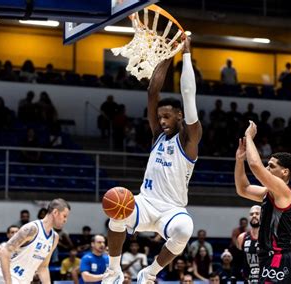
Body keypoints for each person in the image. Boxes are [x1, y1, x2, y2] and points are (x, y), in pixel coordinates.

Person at [102, 37, 202, 284]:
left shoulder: (190, 138)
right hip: (146, 203)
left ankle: (150, 273)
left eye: (168, 116)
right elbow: (152, 92)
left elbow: (188, 95)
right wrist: (168, 55)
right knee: (116, 212)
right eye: (160, 117)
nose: (163, 121)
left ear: (180, 116)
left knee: (184, 229)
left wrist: (186, 54)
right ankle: (113, 270)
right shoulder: (158, 136)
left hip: (172, 209)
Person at [234, 121, 291, 283]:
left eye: (271, 166)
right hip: (268, 259)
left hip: (279, 258)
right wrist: (239, 161)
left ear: (285, 172)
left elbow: (256, 166)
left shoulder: (283, 191)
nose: (267, 169)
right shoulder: (269, 192)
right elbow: (243, 189)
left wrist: (249, 137)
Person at [0, 199, 71, 284]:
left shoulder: (54, 238)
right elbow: (4, 252)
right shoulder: (32, 229)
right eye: (64, 216)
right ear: (55, 212)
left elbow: (43, 267)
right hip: (9, 276)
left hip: (24, 280)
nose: (65, 220)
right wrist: (8, 282)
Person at [237, 205, 261, 284]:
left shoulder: (270, 237)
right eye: (251, 214)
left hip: (266, 280)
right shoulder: (242, 237)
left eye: (257, 213)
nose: (254, 215)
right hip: (249, 280)